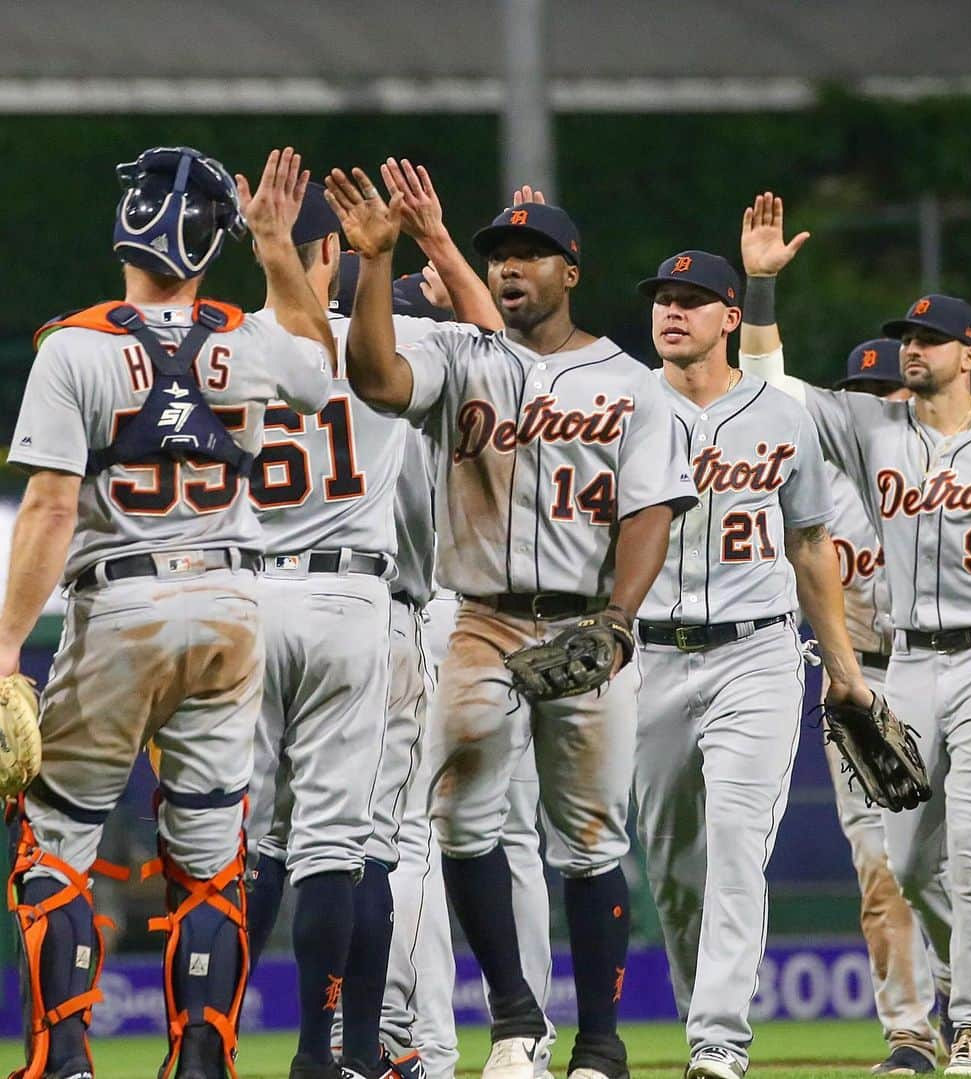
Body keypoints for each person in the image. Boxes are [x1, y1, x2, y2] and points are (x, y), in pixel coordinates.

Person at [324, 163, 697, 1079]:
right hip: (480, 620)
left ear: (572, 270)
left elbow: (649, 509)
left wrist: (619, 617)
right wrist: (377, 263)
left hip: (586, 628)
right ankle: (518, 1019)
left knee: (591, 838)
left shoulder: (633, 383)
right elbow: (374, 377)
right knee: (461, 821)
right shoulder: (461, 359)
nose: (510, 267)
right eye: (499, 255)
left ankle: (602, 1042)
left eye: (530, 253)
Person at [1, 145, 331, 1079]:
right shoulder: (254, 335)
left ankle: (62, 1058)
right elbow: (320, 369)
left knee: (56, 841)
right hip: (232, 598)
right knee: (209, 852)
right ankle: (202, 1061)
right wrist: (276, 253)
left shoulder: (75, 346)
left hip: (124, 602)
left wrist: (4, 643)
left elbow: (55, 511)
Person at [738, 193, 971, 1078]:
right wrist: (761, 290)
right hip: (911, 663)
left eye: (928, 340)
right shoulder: (873, 428)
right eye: (906, 341)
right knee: (908, 860)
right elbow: (770, 391)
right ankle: (963, 994)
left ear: (970, 353)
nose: (912, 350)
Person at [242, 167, 494, 1079]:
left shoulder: (229, 348)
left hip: (253, 601)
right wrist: (419, 245)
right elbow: (499, 348)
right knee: (361, 847)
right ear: (328, 251)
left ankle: (210, 1039)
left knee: (259, 842)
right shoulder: (390, 341)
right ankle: (334, 1053)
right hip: (361, 604)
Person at [631, 222, 879, 1079]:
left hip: (758, 656)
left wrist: (842, 667)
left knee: (738, 844)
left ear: (729, 316)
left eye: (691, 300)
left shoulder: (783, 415)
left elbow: (812, 547)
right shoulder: (625, 406)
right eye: (663, 299)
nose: (672, 311)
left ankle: (718, 1046)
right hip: (648, 657)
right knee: (669, 870)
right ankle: (704, 1019)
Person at [820, 338, 943, 1075]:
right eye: (858, 390)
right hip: (857, 681)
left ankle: (967, 1012)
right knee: (880, 868)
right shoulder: (816, 487)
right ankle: (908, 1035)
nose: (872, 401)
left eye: (885, 388)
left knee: (946, 861)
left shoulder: (945, 471)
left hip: (940, 669)